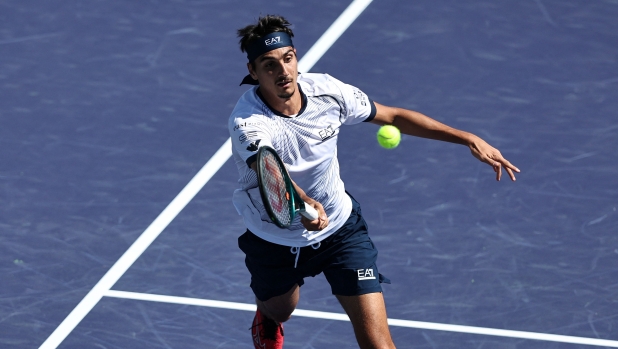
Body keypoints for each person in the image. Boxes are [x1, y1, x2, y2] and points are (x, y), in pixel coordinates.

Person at [228, 15, 519, 349]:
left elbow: (393, 116)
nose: (282, 71)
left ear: (295, 56)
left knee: (378, 344)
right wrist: (303, 201)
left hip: (340, 229)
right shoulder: (248, 122)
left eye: (287, 59)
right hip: (275, 236)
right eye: (269, 65)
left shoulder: (328, 92)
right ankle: (266, 316)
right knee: (281, 310)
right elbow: (271, 172)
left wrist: (466, 138)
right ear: (253, 72)